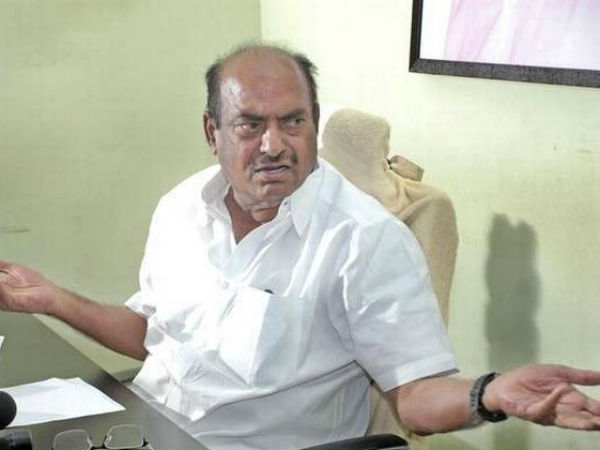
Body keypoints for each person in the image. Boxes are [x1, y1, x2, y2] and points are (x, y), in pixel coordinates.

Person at [1, 44, 600, 450]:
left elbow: (413, 397)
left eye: (293, 121)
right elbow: (152, 334)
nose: (274, 145)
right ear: (212, 131)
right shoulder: (182, 207)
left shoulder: (364, 240)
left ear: (314, 122)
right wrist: (53, 299)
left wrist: (488, 393)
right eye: (250, 124)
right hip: (146, 427)